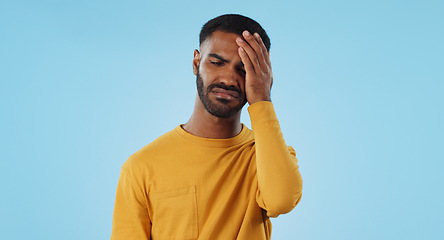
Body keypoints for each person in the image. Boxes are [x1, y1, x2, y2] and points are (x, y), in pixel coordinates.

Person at [111, 14, 303, 240]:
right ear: (196, 62)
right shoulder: (141, 167)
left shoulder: (267, 155)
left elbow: (281, 201)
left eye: (244, 68)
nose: (229, 79)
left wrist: (262, 98)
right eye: (217, 62)